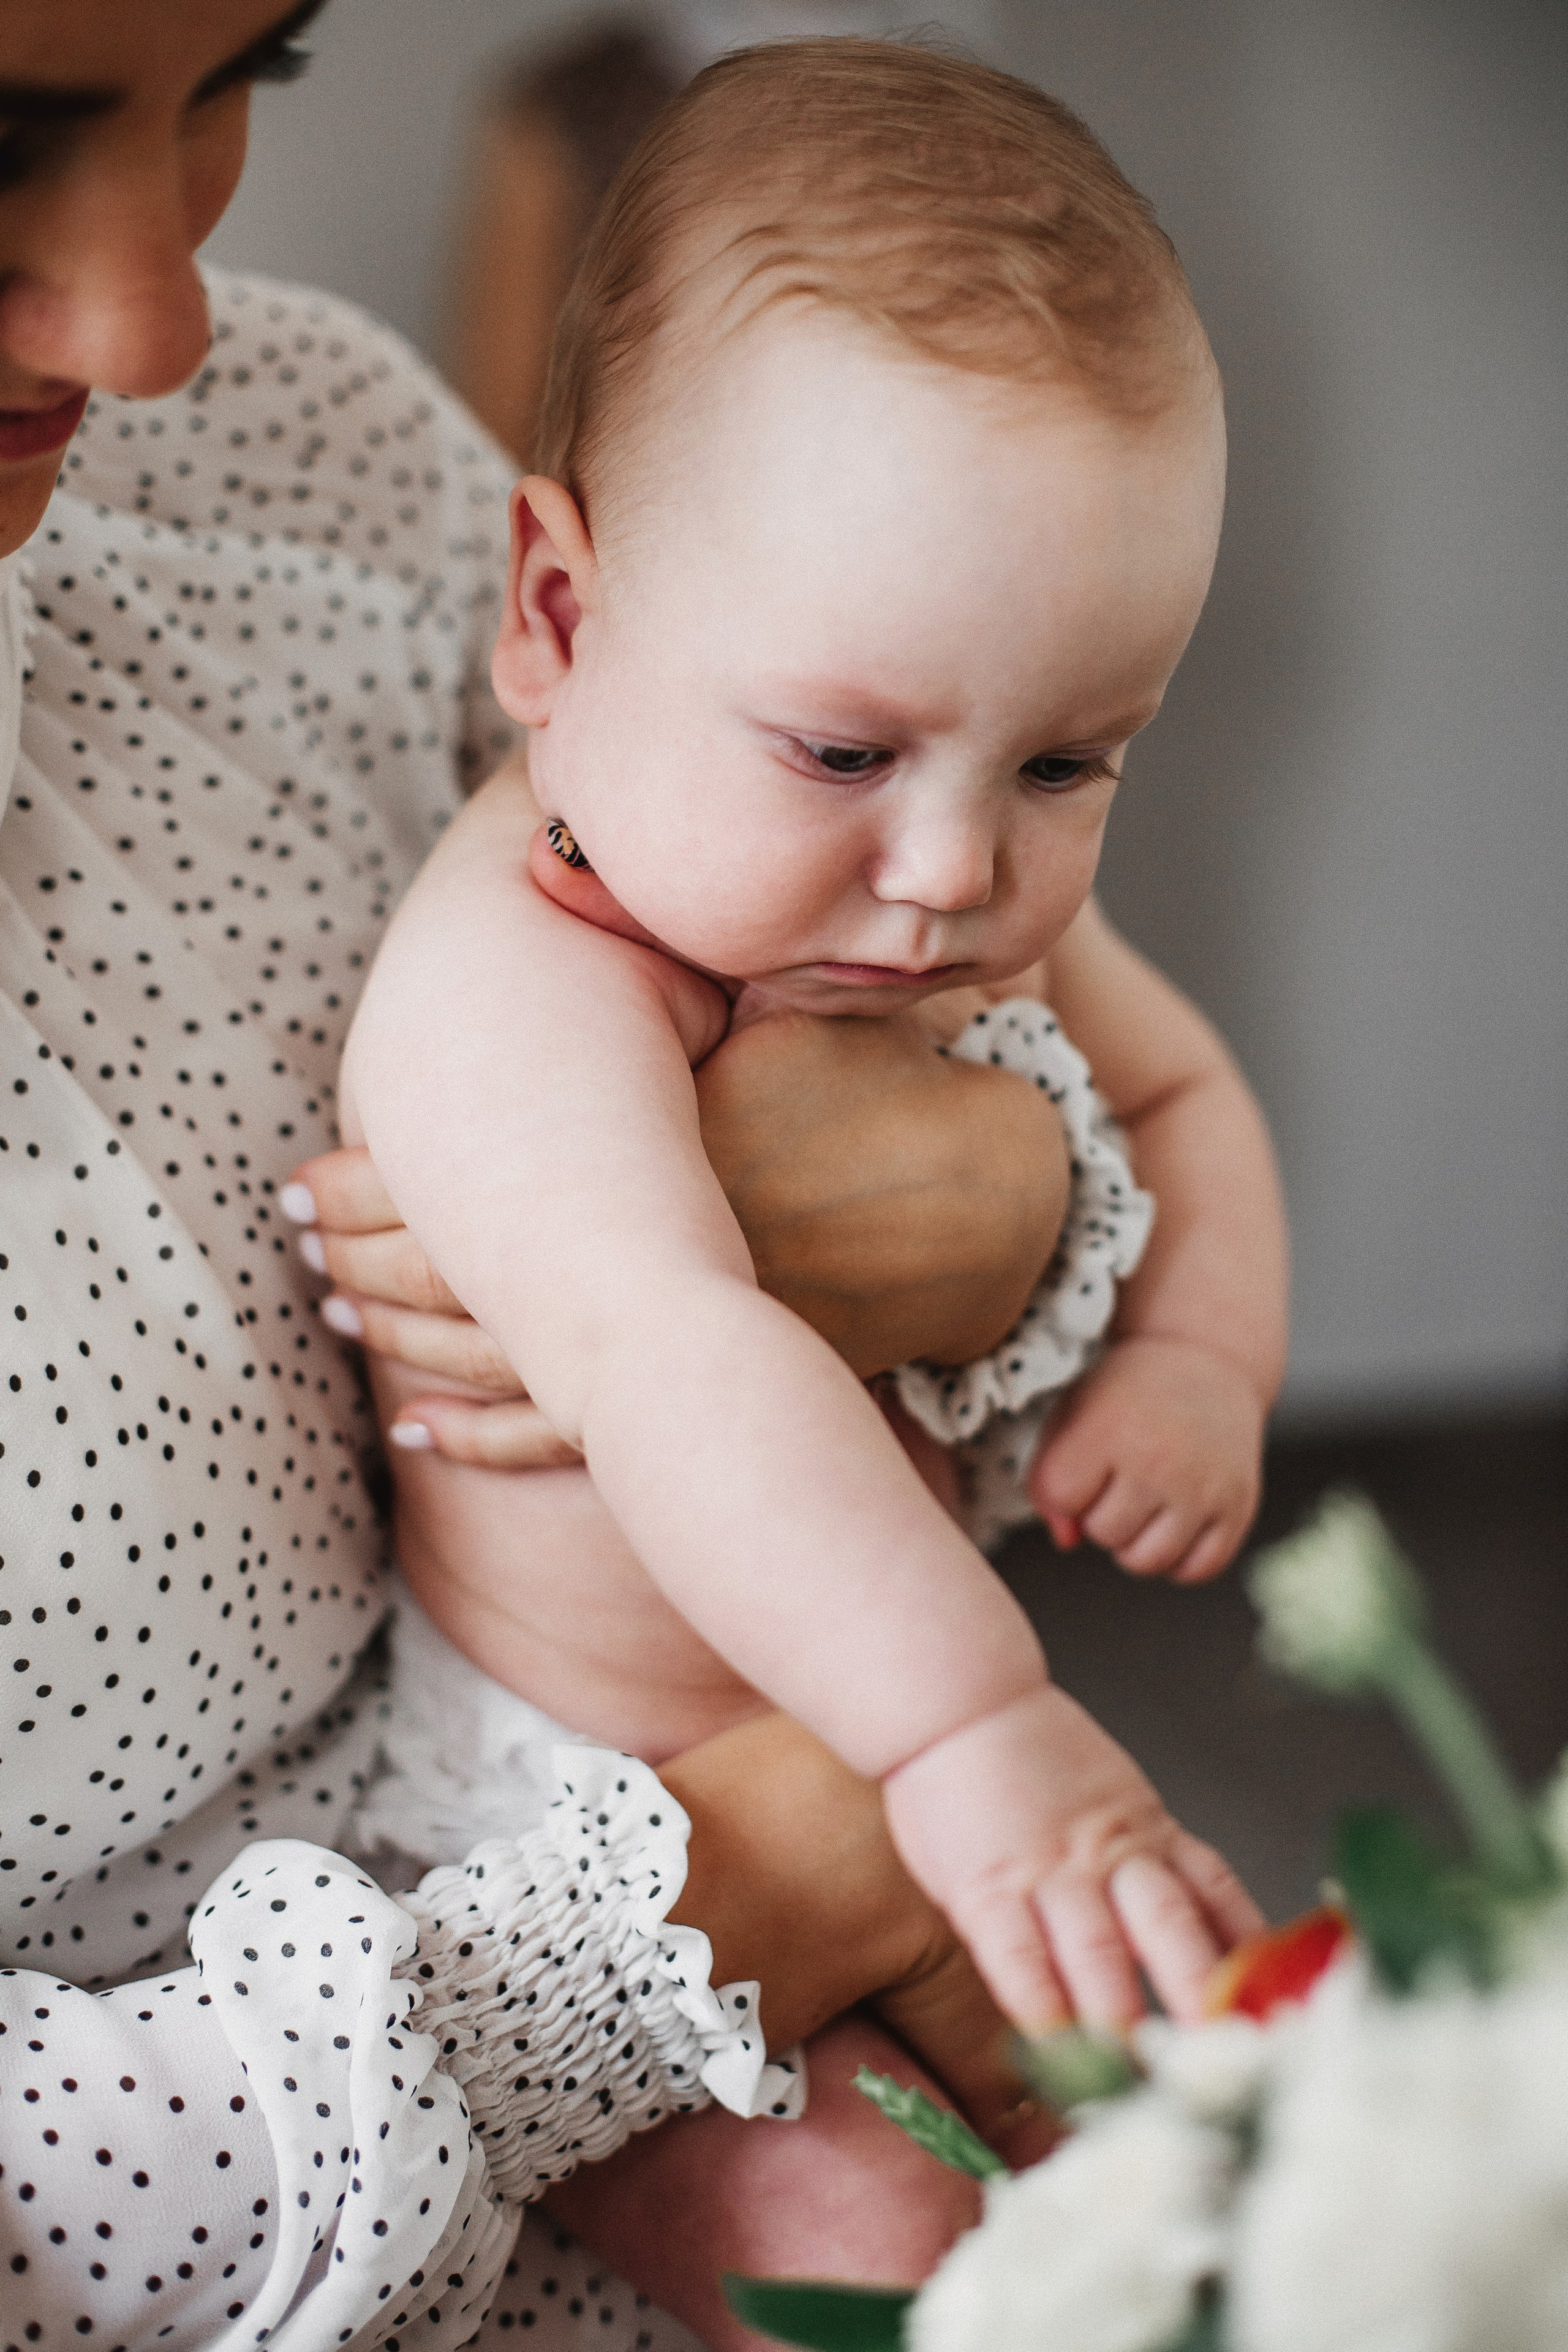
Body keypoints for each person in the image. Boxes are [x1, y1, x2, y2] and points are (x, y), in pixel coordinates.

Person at [0, 7, 1121, 2345]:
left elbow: (923, 997)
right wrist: (744, 1890)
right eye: (5, 132)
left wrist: (1008, 1195)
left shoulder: (293, 460)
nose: (155, 322)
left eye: (247, 83)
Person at [344, 34, 1285, 2113]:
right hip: (591, 1819)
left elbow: (1188, 1101)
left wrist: (1202, 1360)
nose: (955, 872)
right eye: (843, 755)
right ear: (562, 616)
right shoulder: (518, 978)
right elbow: (679, 1350)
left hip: (892, 1726)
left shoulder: (913, 884)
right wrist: (964, 1732)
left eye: (1068, 761)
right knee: (868, 2231)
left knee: (1137, 2141)